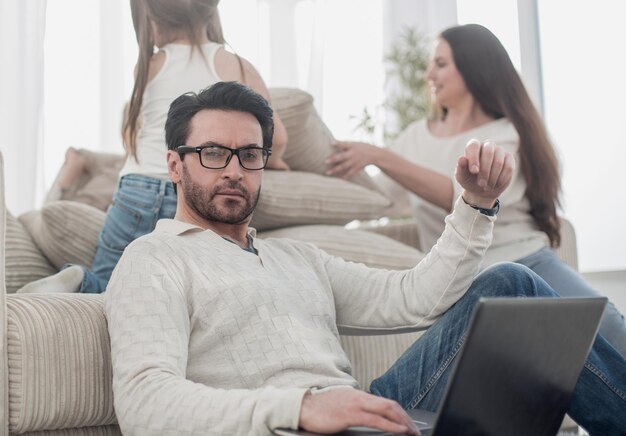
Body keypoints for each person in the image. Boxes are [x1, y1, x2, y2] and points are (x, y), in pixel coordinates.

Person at [104, 81, 626, 435]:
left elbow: (414, 299)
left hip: (365, 414)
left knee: (511, 284)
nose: (234, 170)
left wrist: (474, 205)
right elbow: (145, 402)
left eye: (250, 155)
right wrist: (303, 407)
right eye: (213, 154)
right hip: (288, 424)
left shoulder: (297, 257)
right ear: (175, 165)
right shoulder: (153, 259)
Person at [325, 23, 626, 359]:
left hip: (527, 264)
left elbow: (465, 193)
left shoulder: (507, 134)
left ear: (473, 67)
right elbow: (375, 199)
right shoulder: (414, 138)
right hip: (463, 278)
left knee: (611, 332)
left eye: (440, 64)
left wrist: (379, 155)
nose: (429, 74)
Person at [18, 0, 288, 295]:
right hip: (191, 188)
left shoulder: (151, 64)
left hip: (135, 190)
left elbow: (134, 135)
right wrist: (268, 159)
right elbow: (276, 136)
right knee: (183, 289)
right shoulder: (235, 64)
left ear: (154, 21)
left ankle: (79, 280)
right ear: (209, 12)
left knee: (113, 283)